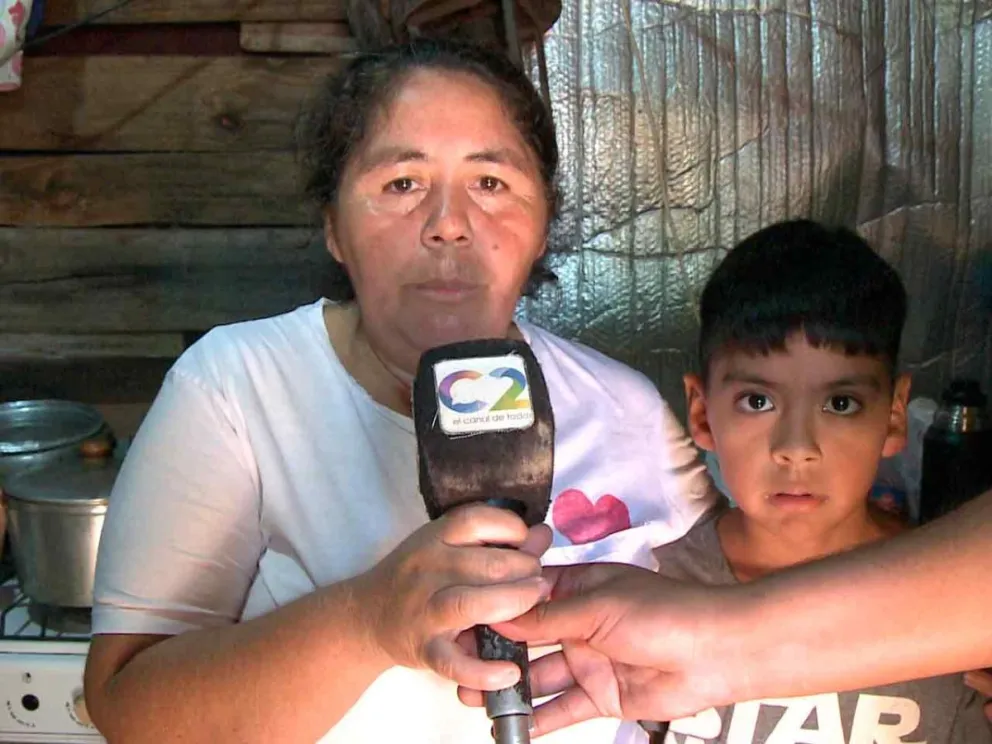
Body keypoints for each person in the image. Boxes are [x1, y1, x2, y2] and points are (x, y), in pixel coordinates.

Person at [82, 39, 716, 744]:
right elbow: (127, 707)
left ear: (542, 226)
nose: (448, 223)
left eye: (491, 183)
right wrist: (365, 621)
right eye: (402, 184)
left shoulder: (627, 412)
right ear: (333, 227)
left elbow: (708, 652)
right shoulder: (234, 387)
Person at [463, 222, 992, 739]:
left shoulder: (961, 620)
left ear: (895, 414)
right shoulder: (648, 583)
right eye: (757, 401)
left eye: (841, 403)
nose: (796, 448)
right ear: (701, 414)